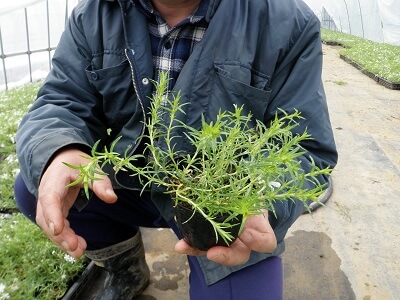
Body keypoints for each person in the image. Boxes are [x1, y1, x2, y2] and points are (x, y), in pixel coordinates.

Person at [14, 0, 338, 299]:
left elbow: (305, 148)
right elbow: (62, 100)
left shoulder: (285, 20)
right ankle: (125, 263)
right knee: (41, 183)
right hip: (131, 181)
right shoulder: (96, 13)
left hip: (219, 205)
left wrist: (263, 200)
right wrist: (60, 151)